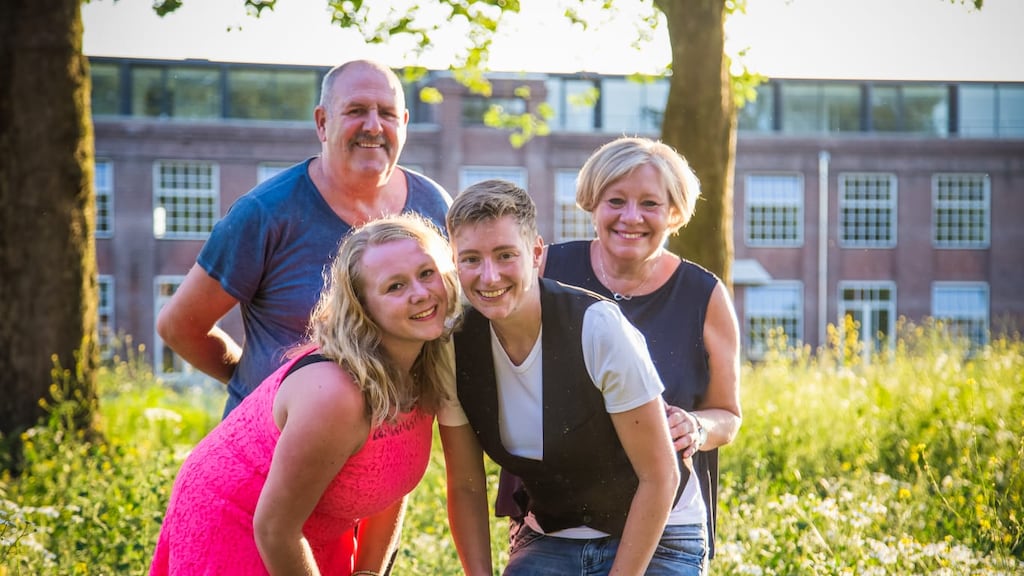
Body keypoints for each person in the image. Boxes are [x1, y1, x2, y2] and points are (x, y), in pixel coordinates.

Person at [149, 213, 465, 576]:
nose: (421, 293)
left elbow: (391, 477)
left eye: (427, 273)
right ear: (364, 309)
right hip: (236, 523)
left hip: (315, 526)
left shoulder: (425, 366)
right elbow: (275, 528)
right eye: (395, 286)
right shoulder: (335, 395)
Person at [497, 136, 743, 569]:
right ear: (593, 203)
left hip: (667, 528)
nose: (631, 217)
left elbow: (728, 415)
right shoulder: (543, 270)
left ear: (674, 212)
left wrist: (697, 427)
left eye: (650, 204)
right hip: (552, 526)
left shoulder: (705, 295)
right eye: (616, 201)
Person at [156, 59, 452, 418]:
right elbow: (179, 326)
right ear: (322, 123)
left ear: (403, 123)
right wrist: (259, 386)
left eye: (387, 114)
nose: (374, 126)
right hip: (275, 439)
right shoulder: (265, 212)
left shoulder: (434, 206)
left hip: (390, 438)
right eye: (356, 111)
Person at [439, 180, 686, 575]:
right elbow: (466, 486)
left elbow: (660, 476)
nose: (489, 276)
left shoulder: (597, 328)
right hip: (551, 536)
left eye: (505, 255)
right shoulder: (455, 348)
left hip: (658, 531)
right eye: (470, 259)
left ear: (536, 253)